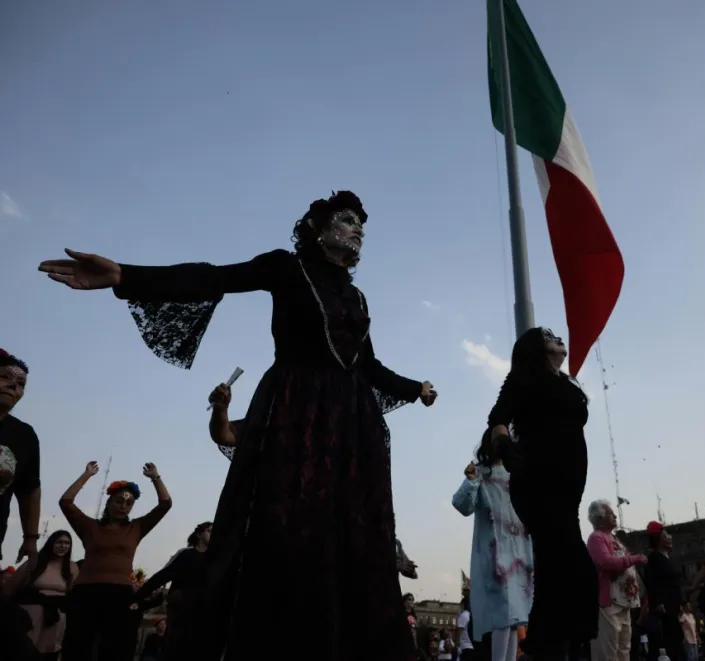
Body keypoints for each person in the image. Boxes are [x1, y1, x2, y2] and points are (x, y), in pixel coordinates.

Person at [39, 191, 437, 661]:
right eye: (346, 220)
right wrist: (126, 276)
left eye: (361, 225)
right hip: (295, 412)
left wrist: (414, 387)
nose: (358, 230)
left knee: (346, 534)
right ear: (317, 228)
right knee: (285, 528)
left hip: (350, 425)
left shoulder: (356, 295)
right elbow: (214, 277)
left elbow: (365, 365)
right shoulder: (286, 268)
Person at [206, 380, 421, 579]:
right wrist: (221, 409)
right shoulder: (274, 422)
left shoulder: (336, 439)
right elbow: (226, 435)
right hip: (272, 533)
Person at [487, 327, 598, 661]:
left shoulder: (565, 382)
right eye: (549, 335)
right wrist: (504, 444)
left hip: (567, 492)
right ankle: (551, 648)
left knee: (558, 571)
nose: (558, 337)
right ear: (535, 348)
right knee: (571, 569)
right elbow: (498, 418)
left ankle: (551, 649)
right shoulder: (523, 377)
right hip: (538, 484)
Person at [59, 461, 172, 661]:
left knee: (115, 649)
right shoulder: (89, 527)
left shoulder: (136, 528)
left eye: (129, 503)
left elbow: (165, 504)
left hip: (119, 594)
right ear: (109, 502)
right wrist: (87, 475)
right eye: (119, 501)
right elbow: (66, 502)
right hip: (86, 592)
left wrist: (155, 477)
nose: (123, 506)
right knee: (78, 646)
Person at [452, 429, 534, 661]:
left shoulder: (518, 475)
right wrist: (471, 481)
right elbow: (462, 505)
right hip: (494, 556)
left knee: (514, 617)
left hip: (519, 555)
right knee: (503, 612)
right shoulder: (480, 473)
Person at [133, 522, 212, 661]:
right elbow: (163, 575)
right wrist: (138, 595)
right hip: (181, 611)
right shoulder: (186, 555)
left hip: (203, 613)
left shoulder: (215, 560)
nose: (212, 534)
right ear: (199, 534)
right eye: (209, 530)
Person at [586, 500, 645, 661]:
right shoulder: (596, 538)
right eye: (610, 513)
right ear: (599, 518)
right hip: (608, 604)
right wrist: (635, 559)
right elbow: (606, 562)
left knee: (624, 650)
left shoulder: (613, 538)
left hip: (623, 602)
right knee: (608, 651)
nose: (615, 515)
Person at [4, 530, 78, 660]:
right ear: (51, 543)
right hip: (33, 612)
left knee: (50, 652)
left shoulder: (72, 567)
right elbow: (13, 585)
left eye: (67, 543)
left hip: (57, 616)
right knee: (26, 649)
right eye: (59, 542)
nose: (63, 546)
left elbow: (74, 592)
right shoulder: (35, 562)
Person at [0, 349, 41, 567]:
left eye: (21, 383)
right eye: (4, 377)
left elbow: (29, 489)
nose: (13, 386)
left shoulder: (24, 436)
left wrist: (30, 538)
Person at [642, 521, 684, 661]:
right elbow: (651, 582)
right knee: (669, 642)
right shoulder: (654, 558)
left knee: (677, 640)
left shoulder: (668, 558)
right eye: (666, 535)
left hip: (674, 606)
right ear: (658, 539)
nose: (670, 537)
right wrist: (658, 602)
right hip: (664, 609)